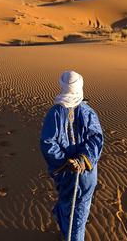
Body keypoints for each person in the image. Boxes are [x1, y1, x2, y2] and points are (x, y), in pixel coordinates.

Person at [40, 70, 104, 241]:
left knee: (75, 207)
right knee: (76, 207)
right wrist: (68, 162)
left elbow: (48, 142)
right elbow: (96, 139)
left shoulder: (58, 112)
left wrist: (82, 160)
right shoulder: (85, 111)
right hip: (71, 172)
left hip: (80, 172)